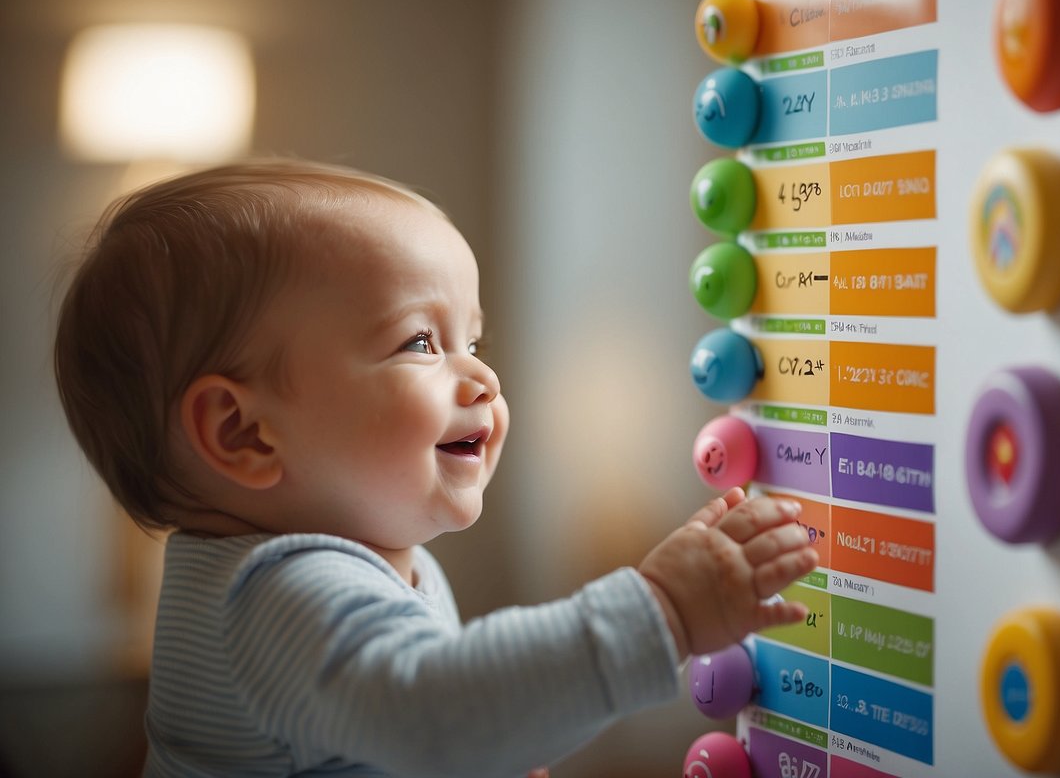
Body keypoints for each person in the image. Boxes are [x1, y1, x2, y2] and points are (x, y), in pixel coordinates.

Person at [53, 159, 819, 777]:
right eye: (420, 342)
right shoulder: (277, 595)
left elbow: (431, 728)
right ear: (243, 432)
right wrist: (664, 610)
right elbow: (430, 715)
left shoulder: (343, 571)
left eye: (473, 344)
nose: (481, 379)